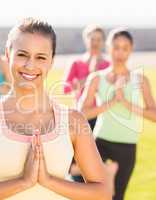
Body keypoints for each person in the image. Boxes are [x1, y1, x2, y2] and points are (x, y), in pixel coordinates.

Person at [0, 18, 111, 200]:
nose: (30, 65)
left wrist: (48, 181)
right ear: (8, 55)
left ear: (51, 62)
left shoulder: (73, 121)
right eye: (22, 55)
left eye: (40, 57)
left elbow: (102, 192)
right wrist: (23, 182)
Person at [80, 28, 156, 200]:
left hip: (127, 145)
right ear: (108, 48)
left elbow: (154, 115)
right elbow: (82, 113)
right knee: (95, 195)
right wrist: (112, 102)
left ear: (131, 49)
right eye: (116, 47)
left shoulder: (140, 80)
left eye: (125, 48)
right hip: (100, 143)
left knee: (117, 196)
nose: (120, 53)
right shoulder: (96, 78)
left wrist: (127, 104)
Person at [64, 25, 111, 183]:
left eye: (99, 39)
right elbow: (65, 88)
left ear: (103, 42)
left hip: (100, 118)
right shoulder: (76, 63)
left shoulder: (107, 65)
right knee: (76, 162)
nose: (95, 42)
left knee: (97, 162)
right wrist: (89, 77)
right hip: (79, 117)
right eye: (92, 39)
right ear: (86, 40)